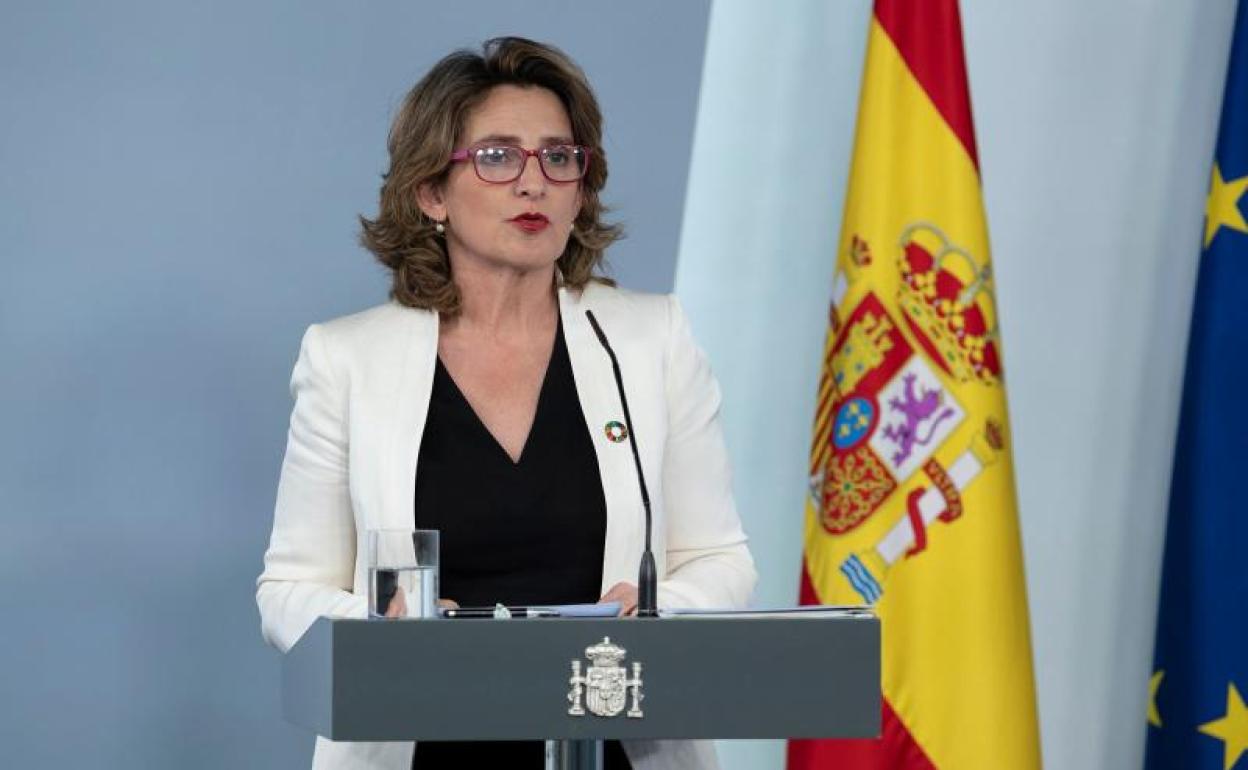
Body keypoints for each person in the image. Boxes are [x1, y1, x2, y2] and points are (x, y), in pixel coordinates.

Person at [256, 37, 756, 770]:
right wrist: (383, 622)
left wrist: (660, 612)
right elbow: (289, 590)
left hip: (616, 739)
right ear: (431, 193)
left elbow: (720, 560)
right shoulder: (347, 359)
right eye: (497, 157)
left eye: (559, 158)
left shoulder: (652, 340)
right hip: (422, 745)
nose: (534, 183)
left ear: (582, 188)